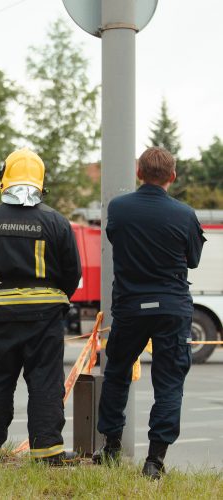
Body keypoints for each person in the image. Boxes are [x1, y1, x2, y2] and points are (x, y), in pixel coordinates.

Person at [92, 146, 205, 479]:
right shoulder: (185, 214)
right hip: (172, 306)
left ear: (138, 173)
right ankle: (155, 461)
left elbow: (115, 238)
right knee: (169, 382)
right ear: (172, 177)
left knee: (116, 373)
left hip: (130, 306)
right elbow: (193, 259)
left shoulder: (120, 208)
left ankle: (111, 447)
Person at [0, 148, 82, 465]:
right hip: (45, 316)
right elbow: (71, 272)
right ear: (40, 180)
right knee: (45, 382)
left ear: (4, 179)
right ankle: (48, 453)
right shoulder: (56, 222)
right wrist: (55, 297)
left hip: (0, 314)